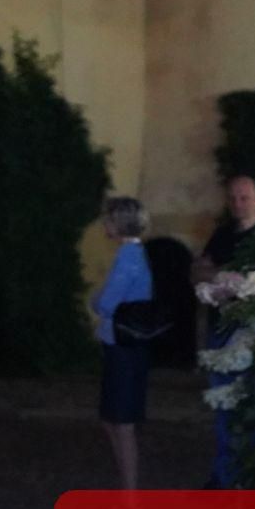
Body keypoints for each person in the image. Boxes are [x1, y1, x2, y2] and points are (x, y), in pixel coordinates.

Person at [192, 175, 255, 489]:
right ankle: (225, 476)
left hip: (253, 333)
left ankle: (251, 477)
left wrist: (220, 275)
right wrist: (229, 276)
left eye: (244, 198)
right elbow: (198, 272)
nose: (238, 204)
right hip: (221, 330)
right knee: (223, 406)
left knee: (253, 405)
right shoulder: (223, 235)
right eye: (233, 198)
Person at [90, 197, 153, 490]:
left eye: (108, 219)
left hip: (122, 346)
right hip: (124, 344)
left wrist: (96, 300)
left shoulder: (128, 257)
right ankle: (127, 490)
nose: (105, 224)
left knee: (121, 422)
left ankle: (130, 495)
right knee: (114, 419)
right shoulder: (135, 254)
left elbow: (107, 302)